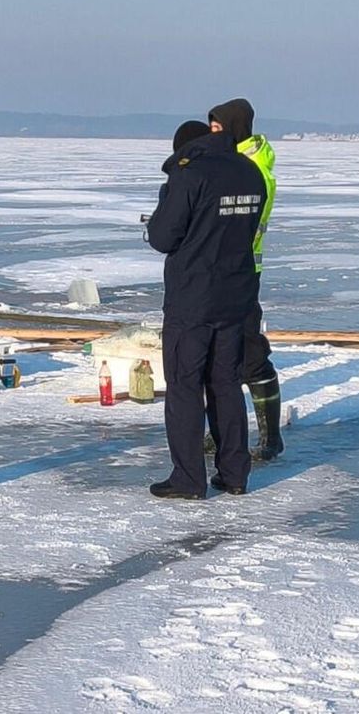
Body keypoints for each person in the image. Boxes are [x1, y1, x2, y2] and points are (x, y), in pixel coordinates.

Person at [146, 120, 265, 499]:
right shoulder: (250, 172)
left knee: (184, 385)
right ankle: (234, 473)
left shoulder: (189, 175)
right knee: (226, 384)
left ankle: (188, 478)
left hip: (193, 299)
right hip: (236, 296)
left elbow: (164, 237)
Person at [208, 98, 284, 460]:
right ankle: (222, 429)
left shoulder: (254, 166)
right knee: (217, 353)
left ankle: (270, 437)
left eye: (218, 129)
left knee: (250, 351)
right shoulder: (228, 162)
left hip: (241, 272)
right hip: (218, 271)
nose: (213, 135)